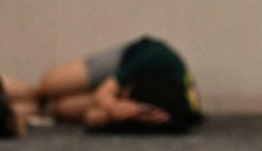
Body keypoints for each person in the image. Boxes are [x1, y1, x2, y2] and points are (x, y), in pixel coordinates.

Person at [37, 36, 202, 134]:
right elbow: (104, 92)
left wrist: (113, 115)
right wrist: (112, 107)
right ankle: (28, 98)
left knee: (62, 108)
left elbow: (92, 118)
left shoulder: (173, 110)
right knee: (50, 84)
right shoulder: (151, 59)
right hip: (124, 59)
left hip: (142, 92)